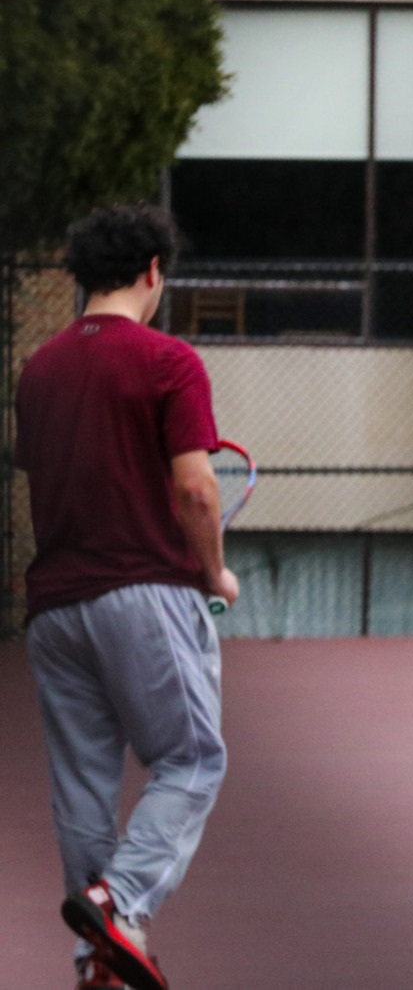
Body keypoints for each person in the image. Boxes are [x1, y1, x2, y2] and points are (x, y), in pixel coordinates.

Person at [13, 204, 238, 990]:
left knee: (83, 783)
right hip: (142, 591)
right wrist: (214, 573)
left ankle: (97, 961)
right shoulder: (169, 360)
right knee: (191, 756)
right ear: (153, 271)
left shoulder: (36, 370)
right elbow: (196, 488)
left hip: (53, 608)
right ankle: (120, 902)